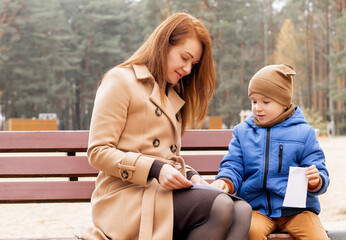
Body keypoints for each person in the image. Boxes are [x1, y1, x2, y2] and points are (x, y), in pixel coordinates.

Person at [76, 12, 252, 240]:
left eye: (193, 64)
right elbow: (98, 152)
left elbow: (166, 157)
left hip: (161, 194)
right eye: (184, 58)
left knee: (242, 210)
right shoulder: (120, 80)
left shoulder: (172, 94)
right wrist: (154, 169)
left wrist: (192, 175)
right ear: (163, 44)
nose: (188, 69)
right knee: (221, 206)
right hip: (124, 198)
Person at [211, 64, 330, 240]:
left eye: (265, 102)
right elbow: (233, 164)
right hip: (257, 209)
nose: (257, 107)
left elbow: (319, 170)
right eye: (254, 101)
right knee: (249, 232)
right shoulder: (242, 132)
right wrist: (225, 181)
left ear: (284, 103)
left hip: (299, 211)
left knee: (317, 236)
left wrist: (315, 180)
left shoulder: (304, 133)